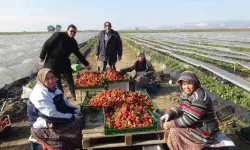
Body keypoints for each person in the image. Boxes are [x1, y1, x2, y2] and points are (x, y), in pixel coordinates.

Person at [160, 71, 219, 150]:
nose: (186, 87)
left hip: (203, 129)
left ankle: (187, 147)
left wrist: (170, 124)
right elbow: (179, 106)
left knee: (174, 131)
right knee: (172, 120)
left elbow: (190, 119)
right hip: (195, 124)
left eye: (189, 84)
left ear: (195, 83)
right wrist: (168, 114)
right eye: (184, 84)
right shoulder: (186, 93)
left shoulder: (200, 97)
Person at [27, 68, 82, 150]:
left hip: (54, 120)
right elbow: (51, 115)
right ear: (41, 79)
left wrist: (75, 109)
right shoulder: (39, 94)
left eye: (52, 77)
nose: (51, 80)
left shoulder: (53, 89)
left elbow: (65, 103)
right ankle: (70, 145)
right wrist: (71, 117)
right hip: (42, 125)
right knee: (77, 124)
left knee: (80, 119)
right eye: (47, 78)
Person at [39, 24, 91, 101]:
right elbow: (47, 43)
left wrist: (86, 64)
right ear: (67, 30)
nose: (72, 33)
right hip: (53, 61)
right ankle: (62, 97)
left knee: (70, 78)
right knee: (57, 81)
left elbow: (78, 53)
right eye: (71, 31)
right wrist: (42, 56)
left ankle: (73, 95)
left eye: (74, 32)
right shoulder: (58, 35)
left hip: (64, 61)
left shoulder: (73, 42)